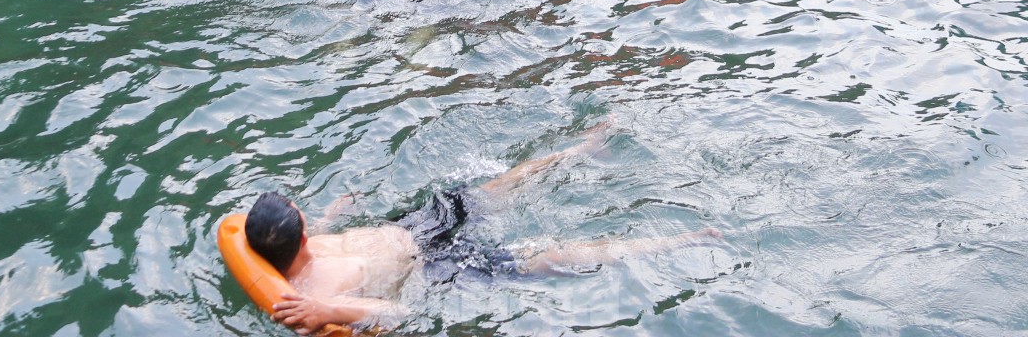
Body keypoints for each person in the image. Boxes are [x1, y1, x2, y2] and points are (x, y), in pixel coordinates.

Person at [242, 126, 717, 333]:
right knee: (544, 257)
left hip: (415, 226)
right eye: (305, 216)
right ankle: (676, 240)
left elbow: (311, 237)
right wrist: (328, 309)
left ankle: (579, 152)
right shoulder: (316, 293)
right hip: (440, 265)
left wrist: (330, 216)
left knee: (497, 185)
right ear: (298, 238)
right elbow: (397, 314)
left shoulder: (301, 244)